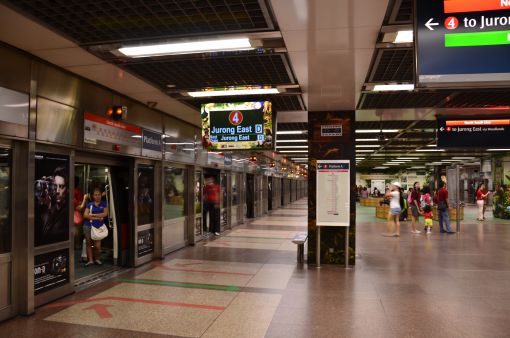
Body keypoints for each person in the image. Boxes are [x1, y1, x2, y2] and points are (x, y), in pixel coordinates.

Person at [35, 167, 69, 246]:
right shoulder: (50, 207)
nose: (57, 191)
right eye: (54, 186)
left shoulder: (67, 211)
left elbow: (50, 236)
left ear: (67, 189)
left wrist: (49, 208)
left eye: (61, 187)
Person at [83, 187, 108, 267]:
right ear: (93, 196)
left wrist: (93, 215)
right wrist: (97, 217)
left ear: (101, 195)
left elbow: (105, 214)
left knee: (97, 246)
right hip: (88, 225)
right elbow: (85, 215)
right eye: (95, 195)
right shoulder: (89, 204)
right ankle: (90, 260)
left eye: (99, 195)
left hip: (99, 227)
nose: (97, 196)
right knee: (89, 243)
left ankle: (97, 258)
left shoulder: (104, 204)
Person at [73, 176, 84, 249]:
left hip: (74, 212)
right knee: (77, 230)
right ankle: (77, 244)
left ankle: (75, 244)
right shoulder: (77, 191)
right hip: (76, 213)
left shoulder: (71, 190)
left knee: (75, 230)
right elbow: (80, 206)